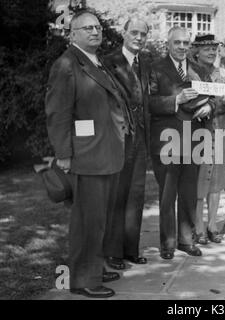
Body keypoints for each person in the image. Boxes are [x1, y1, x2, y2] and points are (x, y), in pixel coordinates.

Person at [45, 11, 131, 298]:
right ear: (73, 34)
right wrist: (63, 154)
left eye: (97, 27)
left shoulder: (98, 62)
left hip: (107, 152)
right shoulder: (67, 64)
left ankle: (94, 267)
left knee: (101, 219)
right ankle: (82, 279)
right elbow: (58, 113)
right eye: (87, 28)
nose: (95, 32)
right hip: (87, 155)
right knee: (87, 221)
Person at [149, 26, 214, 259]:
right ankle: (167, 244)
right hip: (166, 140)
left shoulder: (199, 70)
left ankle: (186, 241)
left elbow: (215, 97)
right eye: (177, 42)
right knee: (168, 195)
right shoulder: (155, 68)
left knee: (188, 192)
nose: (182, 47)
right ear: (168, 44)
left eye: (186, 43)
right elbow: (149, 102)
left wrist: (210, 107)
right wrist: (175, 100)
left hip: (194, 139)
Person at [103, 17, 151, 269]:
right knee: (117, 194)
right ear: (124, 33)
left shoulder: (144, 62)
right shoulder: (109, 62)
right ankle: (112, 252)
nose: (139, 38)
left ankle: (131, 249)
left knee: (136, 194)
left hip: (140, 138)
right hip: (119, 137)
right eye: (134, 32)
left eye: (143, 34)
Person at [191, 34, 225, 244]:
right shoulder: (191, 71)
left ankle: (212, 224)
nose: (211, 52)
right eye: (206, 48)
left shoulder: (222, 75)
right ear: (197, 51)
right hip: (200, 132)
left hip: (221, 128)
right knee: (201, 179)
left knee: (216, 180)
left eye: (214, 48)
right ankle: (198, 225)